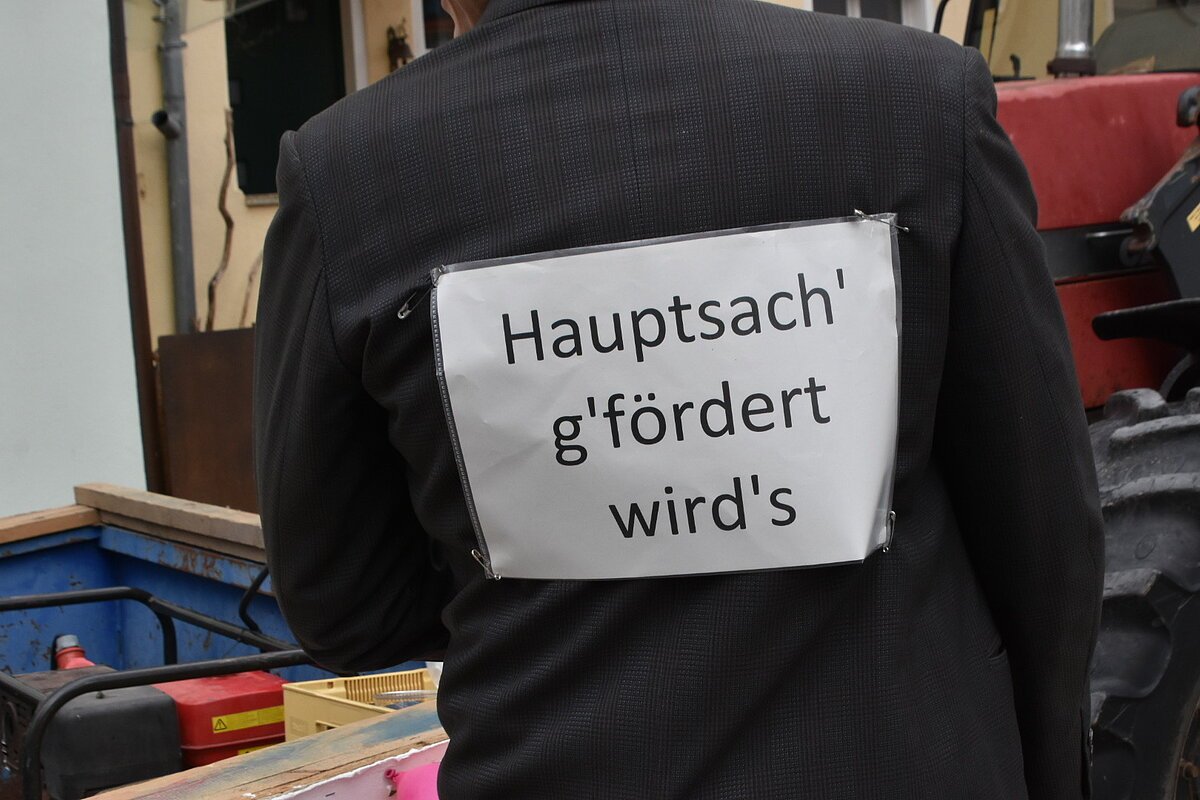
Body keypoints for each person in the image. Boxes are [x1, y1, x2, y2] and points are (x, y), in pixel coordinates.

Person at [253, 0, 1104, 797]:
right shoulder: (917, 101)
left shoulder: (348, 174)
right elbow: (1045, 534)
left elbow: (343, 606)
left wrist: (528, 554)